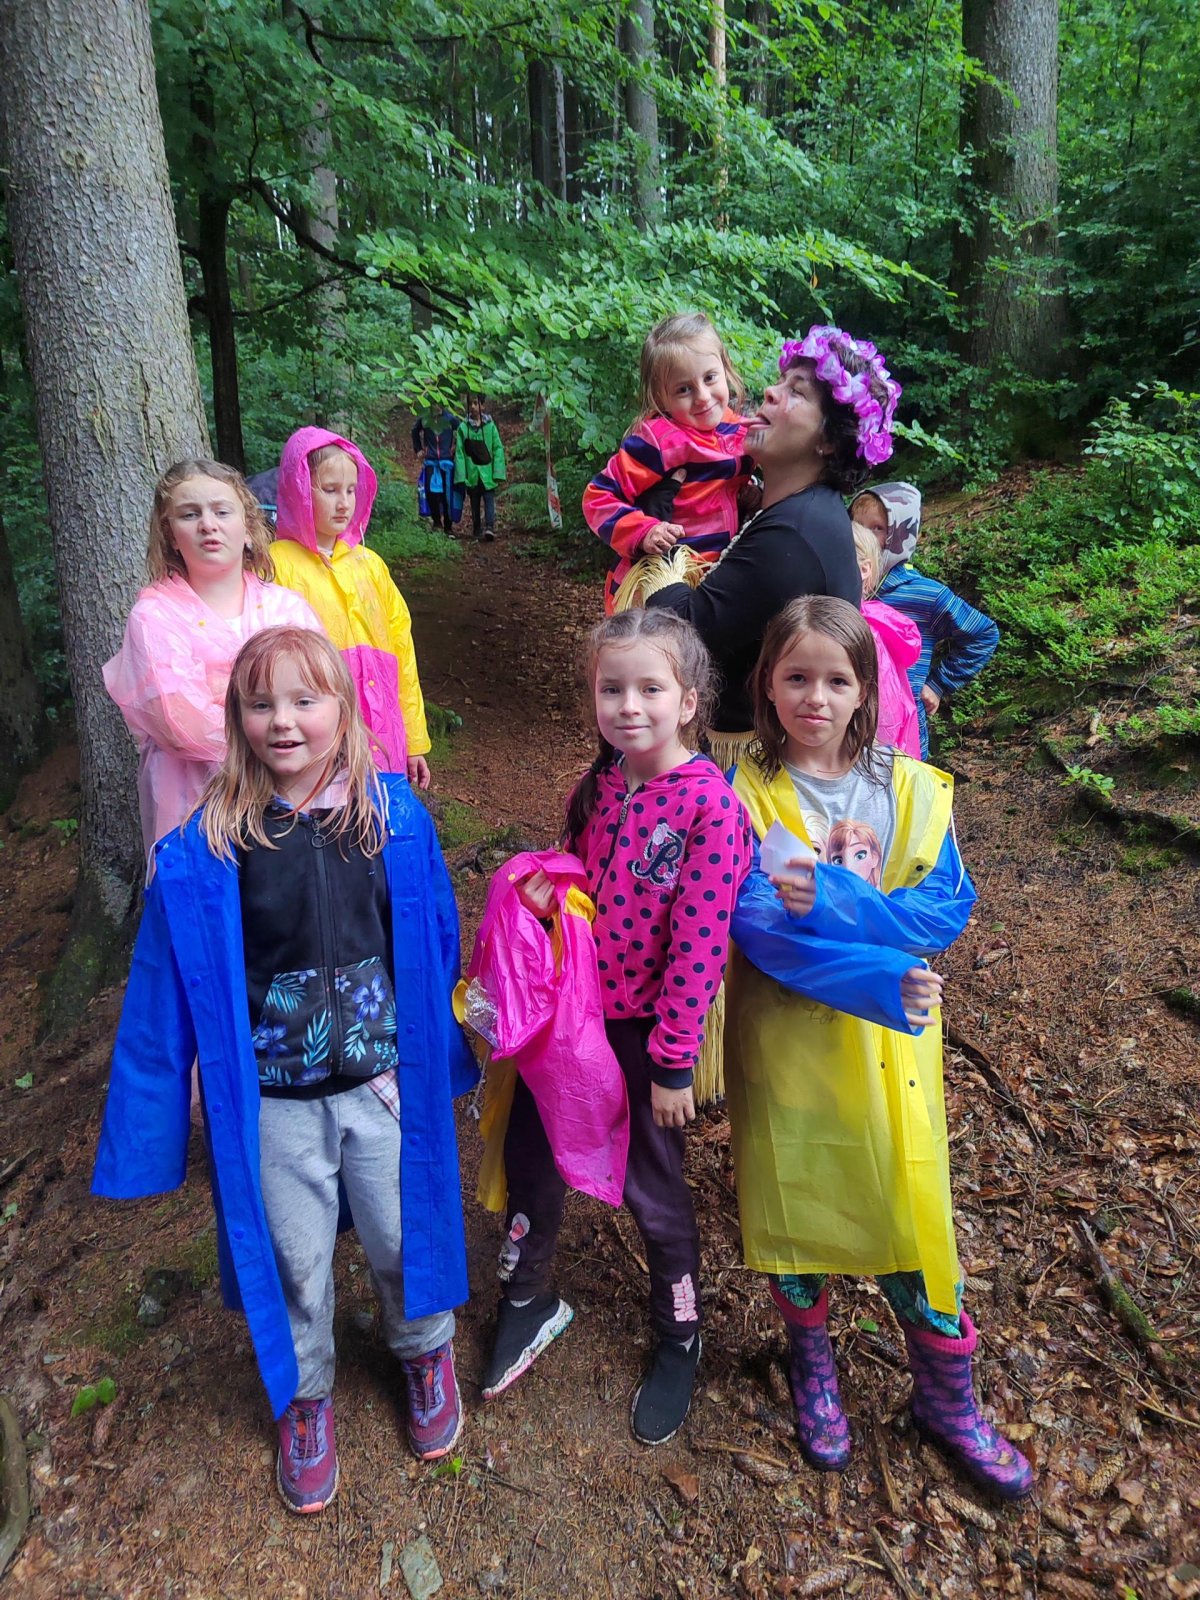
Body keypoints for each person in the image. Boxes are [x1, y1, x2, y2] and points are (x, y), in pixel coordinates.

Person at [92, 627, 476, 1515]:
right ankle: (305, 1393)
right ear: (237, 718)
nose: (285, 721)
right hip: (275, 1099)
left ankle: (423, 1349)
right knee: (293, 1253)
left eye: (306, 699)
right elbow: (163, 994)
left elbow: (433, 936)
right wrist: (149, 1129)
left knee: (401, 1231)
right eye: (261, 703)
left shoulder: (390, 818)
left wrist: (449, 1044)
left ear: (343, 709)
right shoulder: (210, 845)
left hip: (382, 1083)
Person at [724, 595, 1033, 1500]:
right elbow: (755, 923)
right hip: (788, 1037)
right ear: (767, 685)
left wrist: (828, 904)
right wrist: (877, 968)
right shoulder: (742, 790)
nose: (815, 697)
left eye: (836, 679)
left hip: (894, 1048)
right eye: (796, 677)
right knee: (798, 1199)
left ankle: (946, 1398)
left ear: (867, 688)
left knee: (912, 1208)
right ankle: (811, 1364)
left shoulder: (912, 787)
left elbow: (944, 906)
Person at [479, 609, 753, 1445]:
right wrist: (545, 896)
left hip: (641, 1036)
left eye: (650, 689)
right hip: (570, 1017)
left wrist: (672, 1064)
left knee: (651, 1185)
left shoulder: (712, 809)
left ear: (690, 701)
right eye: (611, 689)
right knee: (533, 1152)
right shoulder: (599, 785)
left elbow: (700, 948)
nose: (629, 706)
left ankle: (679, 1329)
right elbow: (579, 880)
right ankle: (528, 1292)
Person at [646, 325, 899, 767]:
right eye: (780, 381)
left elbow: (674, 630)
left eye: (796, 392)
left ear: (828, 440)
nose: (769, 392)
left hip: (760, 781)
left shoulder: (795, 535)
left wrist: (656, 521)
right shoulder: (796, 513)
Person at [104, 459, 323, 855]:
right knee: (208, 889)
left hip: (292, 793)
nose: (208, 524)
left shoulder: (289, 609)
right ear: (171, 535)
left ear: (248, 528)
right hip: (194, 799)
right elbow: (179, 723)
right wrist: (274, 747)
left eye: (222, 511)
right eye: (190, 514)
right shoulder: (154, 616)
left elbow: (324, 698)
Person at [271, 427, 434, 789]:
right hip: (316, 734)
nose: (344, 502)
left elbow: (402, 653)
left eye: (350, 490)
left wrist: (415, 739)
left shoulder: (370, 565)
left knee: (382, 810)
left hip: (384, 731)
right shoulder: (277, 564)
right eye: (329, 490)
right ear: (299, 489)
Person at [583, 312, 754, 614]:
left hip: (713, 580)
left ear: (725, 368)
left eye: (710, 378)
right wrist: (644, 531)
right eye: (683, 389)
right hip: (661, 584)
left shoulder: (740, 430)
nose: (703, 397)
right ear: (661, 399)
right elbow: (597, 498)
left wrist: (749, 492)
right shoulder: (661, 441)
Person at [850, 483, 1000, 759]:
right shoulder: (837, 587)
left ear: (900, 535)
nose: (863, 536)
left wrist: (939, 684)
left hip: (903, 737)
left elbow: (983, 634)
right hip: (846, 731)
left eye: (877, 528)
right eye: (857, 526)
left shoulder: (923, 594)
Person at [851, 520, 921, 758]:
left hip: (869, 759)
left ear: (864, 569)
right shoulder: (874, 623)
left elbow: (886, 714)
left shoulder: (867, 631)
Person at [454, 394, 506, 541]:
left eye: (476, 403)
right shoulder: (463, 428)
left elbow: (497, 448)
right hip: (472, 473)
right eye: (470, 404)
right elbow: (460, 452)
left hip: (487, 473)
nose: (473, 407)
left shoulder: (490, 427)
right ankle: (477, 528)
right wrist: (461, 474)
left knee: (489, 499)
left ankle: (489, 527)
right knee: (474, 501)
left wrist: (498, 472)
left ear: (482, 406)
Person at [412, 405, 462, 535]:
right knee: (430, 492)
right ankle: (437, 522)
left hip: (446, 461)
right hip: (431, 461)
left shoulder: (450, 419)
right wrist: (419, 449)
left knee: (447, 494)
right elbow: (415, 431)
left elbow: (462, 431)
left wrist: (456, 447)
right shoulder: (425, 419)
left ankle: (448, 526)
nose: (436, 406)